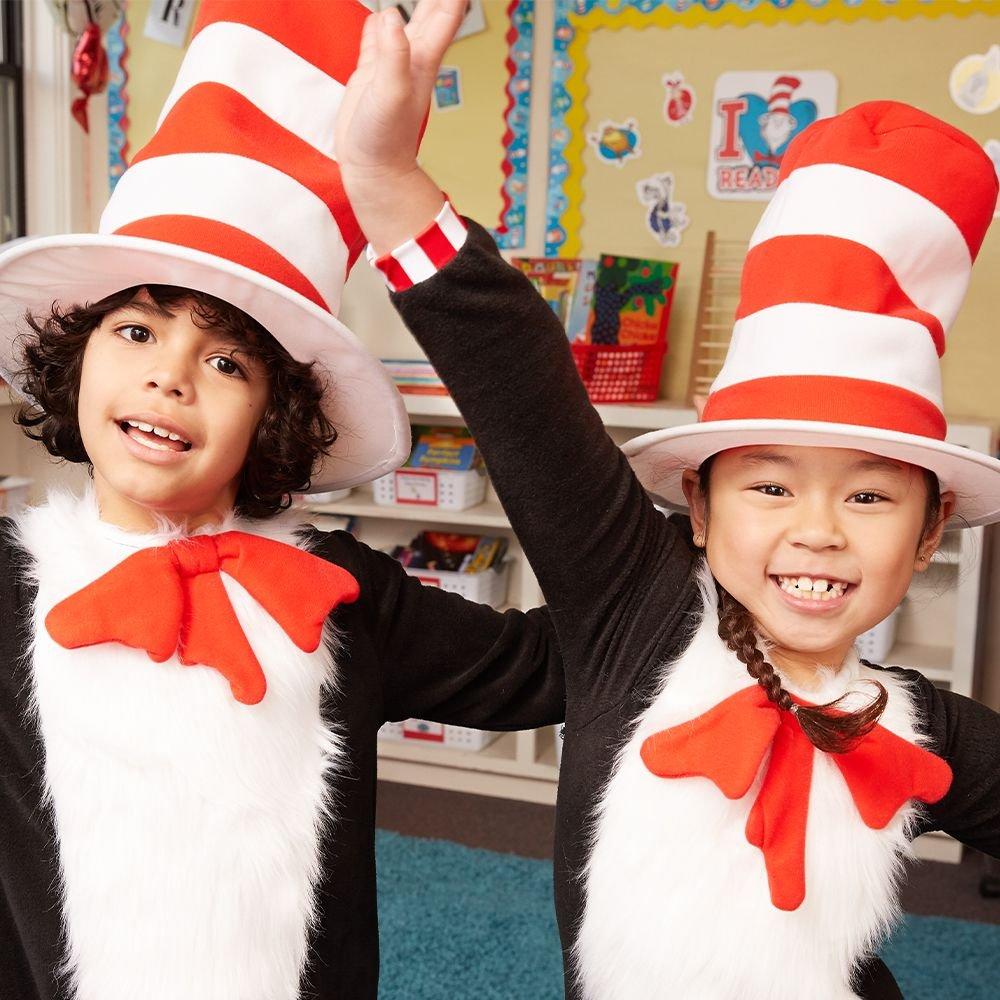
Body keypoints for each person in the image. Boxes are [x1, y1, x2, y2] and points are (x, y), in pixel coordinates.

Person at [338, 3, 1000, 997]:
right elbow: (523, 390)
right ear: (698, 505)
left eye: (867, 496)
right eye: (770, 484)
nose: (814, 529)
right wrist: (388, 183)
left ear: (927, 534)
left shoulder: (918, 727)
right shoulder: (634, 616)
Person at [0, 3, 563, 998]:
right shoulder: (7, 585)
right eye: (136, 331)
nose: (170, 377)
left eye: (225, 359)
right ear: (78, 354)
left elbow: (557, 663)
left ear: (277, 413)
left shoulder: (340, 592)